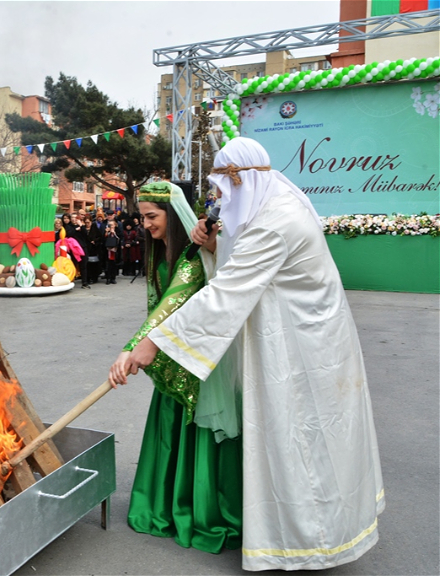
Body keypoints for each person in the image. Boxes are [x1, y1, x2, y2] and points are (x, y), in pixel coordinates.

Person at [121, 137, 384, 571]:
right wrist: (214, 246)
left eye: (222, 190)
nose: (219, 200)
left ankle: (312, 541)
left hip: (301, 352)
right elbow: (243, 263)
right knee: (303, 439)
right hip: (303, 343)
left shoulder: (276, 222)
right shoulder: (275, 205)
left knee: (301, 441)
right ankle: (306, 533)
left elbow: (228, 291)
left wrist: (153, 343)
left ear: (240, 180)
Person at [108, 181, 242, 556]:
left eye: (152, 216)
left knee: (193, 434)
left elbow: (171, 304)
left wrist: (132, 347)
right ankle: (167, 505)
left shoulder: (191, 257)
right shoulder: (161, 255)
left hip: (196, 363)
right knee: (170, 430)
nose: (146, 224)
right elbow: (158, 308)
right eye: (142, 217)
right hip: (171, 357)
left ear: (173, 215)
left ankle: (199, 510)